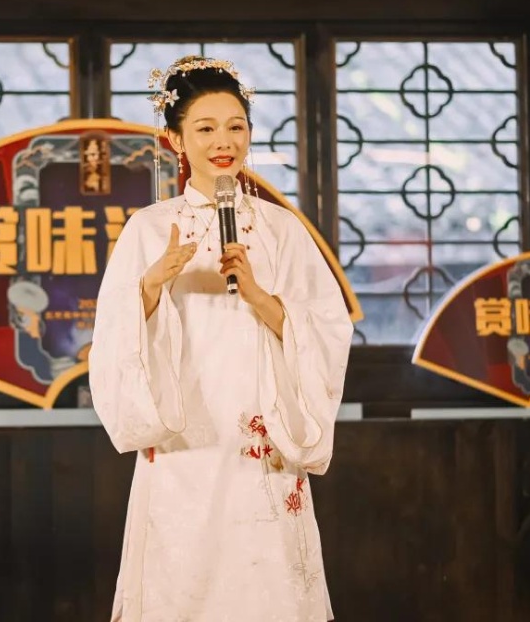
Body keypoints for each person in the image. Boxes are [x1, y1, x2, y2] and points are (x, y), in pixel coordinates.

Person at [88, 55, 354, 621]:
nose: (223, 141)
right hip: (185, 438)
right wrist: (151, 285)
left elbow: (328, 328)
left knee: (267, 583)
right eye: (205, 128)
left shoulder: (282, 229)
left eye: (235, 126)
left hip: (262, 435)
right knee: (182, 580)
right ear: (175, 140)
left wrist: (259, 296)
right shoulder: (149, 229)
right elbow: (113, 337)